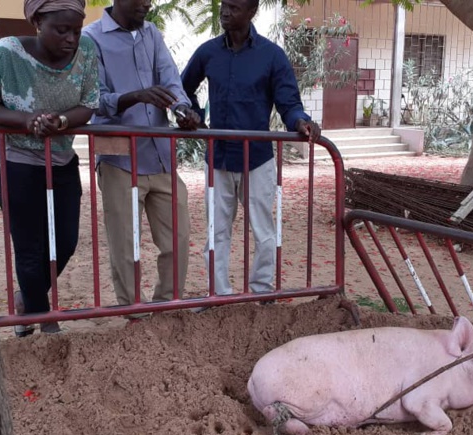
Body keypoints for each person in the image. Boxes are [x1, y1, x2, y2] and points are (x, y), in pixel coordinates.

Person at [0, 0, 100, 337]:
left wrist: (61, 121)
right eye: (62, 30)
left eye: (76, 30)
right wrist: (27, 120)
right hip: (15, 162)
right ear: (38, 23)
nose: (71, 38)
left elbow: (88, 104)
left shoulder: (87, 51)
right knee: (30, 247)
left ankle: (27, 300)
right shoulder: (4, 53)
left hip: (61, 160)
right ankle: (46, 324)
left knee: (66, 242)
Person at [181, 0, 321, 299]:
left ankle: (261, 292)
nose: (225, 12)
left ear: (251, 12)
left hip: (257, 159)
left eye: (234, 7)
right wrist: (194, 116)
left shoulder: (272, 55)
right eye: (224, 5)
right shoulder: (208, 52)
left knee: (263, 230)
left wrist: (300, 122)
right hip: (218, 158)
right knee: (216, 231)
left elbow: (289, 102)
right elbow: (183, 88)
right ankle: (218, 294)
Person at [83, 0, 201, 313]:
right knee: (125, 244)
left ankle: (166, 306)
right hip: (119, 159)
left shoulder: (152, 34)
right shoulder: (91, 38)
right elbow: (92, 99)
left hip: (160, 155)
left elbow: (171, 80)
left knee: (177, 239)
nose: (148, 3)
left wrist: (182, 109)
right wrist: (134, 97)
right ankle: (133, 312)